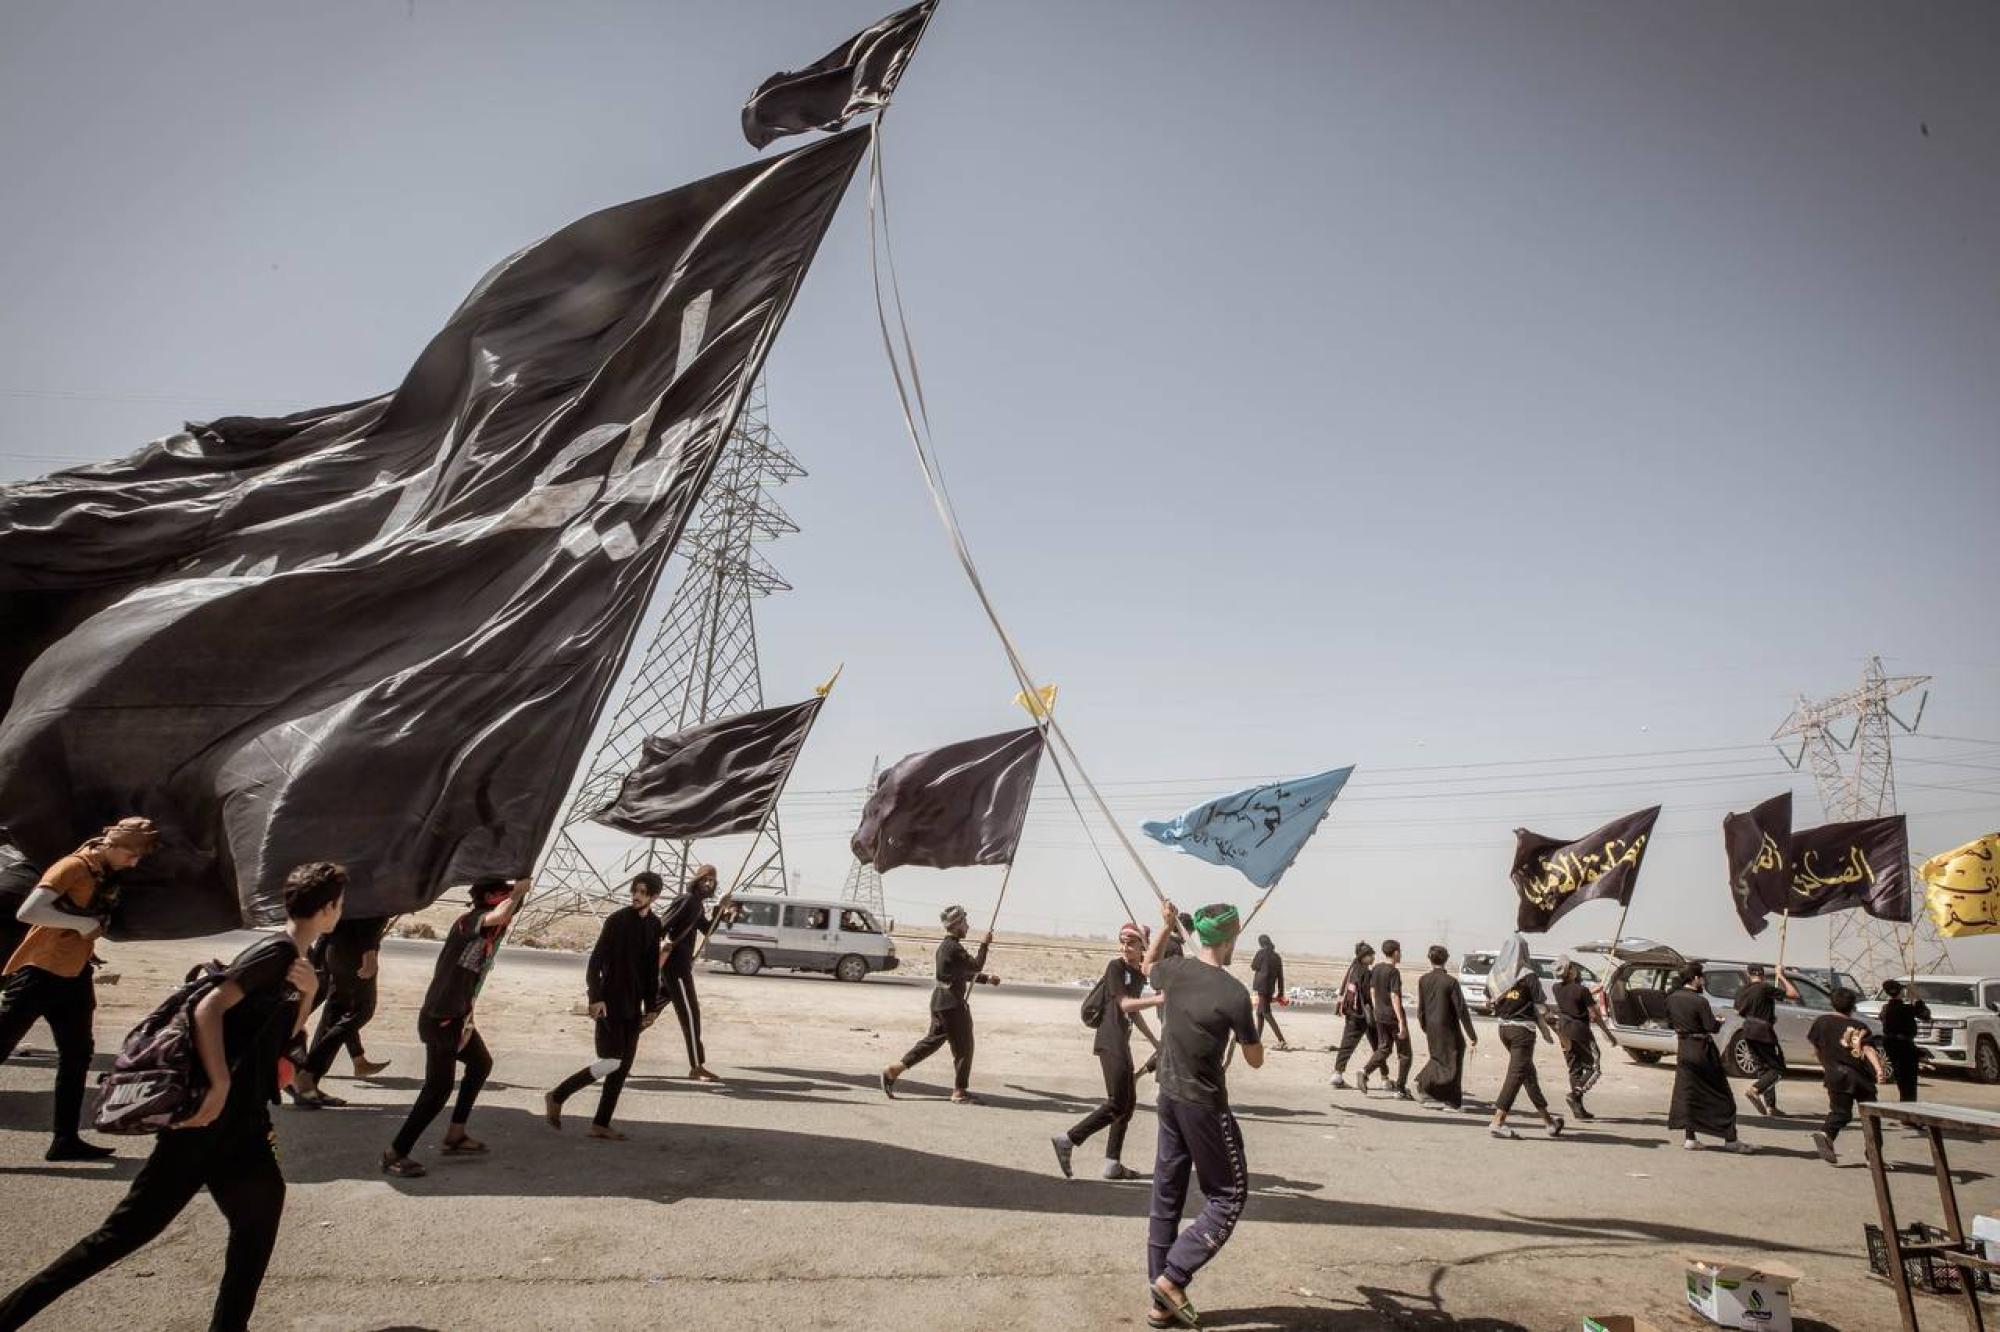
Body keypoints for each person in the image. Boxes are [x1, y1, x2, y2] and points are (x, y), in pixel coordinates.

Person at [0, 860, 344, 1332]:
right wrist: (219, 1084)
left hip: (244, 1126)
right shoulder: (275, 951)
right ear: (327, 909)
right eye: (338, 904)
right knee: (121, 1235)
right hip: (203, 1123)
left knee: (258, 1220)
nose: (339, 912)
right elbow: (208, 1008)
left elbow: (282, 1038)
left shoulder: (298, 964)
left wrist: (307, 995)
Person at [0, 817, 159, 1161]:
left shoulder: (103, 872)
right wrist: (82, 923)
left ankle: (65, 1140)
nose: (134, 863)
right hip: (38, 973)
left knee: (77, 1055)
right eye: (131, 855)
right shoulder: (72, 866)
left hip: (73, 975)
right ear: (112, 845)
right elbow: (29, 911)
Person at [1139, 899, 1261, 1330]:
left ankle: (1159, 1304)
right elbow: (1255, 1059)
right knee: (1229, 1195)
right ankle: (1172, 1277)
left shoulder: (1175, 970)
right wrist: (1250, 1015)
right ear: (1231, 937)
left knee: (1167, 1194)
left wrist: (1164, 925)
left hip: (1169, 1096)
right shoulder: (1233, 993)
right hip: (1204, 1105)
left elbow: (1147, 965)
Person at [382, 876, 529, 1178]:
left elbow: (503, 919)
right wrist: (517, 891)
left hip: (458, 1017)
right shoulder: (470, 921)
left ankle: (456, 1134)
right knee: (438, 1089)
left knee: (480, 1064)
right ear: (491, 899)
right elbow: (500, 914)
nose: (512, 907)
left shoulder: (490, 932)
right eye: (504, 897)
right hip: (441, 1019)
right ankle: (395, 1152)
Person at [545, 872, 666, 1139]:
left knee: (622, 1067)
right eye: (635, 890)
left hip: (634, 1005)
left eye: (643, 892)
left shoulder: (654, 924)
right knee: (611, 1061)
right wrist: (595, 997)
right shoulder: (617, 920)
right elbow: (595, 962)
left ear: (654, 897)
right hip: (610, 1001)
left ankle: (600, 1124)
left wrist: (651, 1007)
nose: (637, 896)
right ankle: (558, 1095)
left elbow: (650, 969)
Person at [1053, 922, 1163, 1181]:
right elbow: (1124, 1004)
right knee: (1118, 1102)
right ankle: (1068, 1139)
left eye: (1131, 943)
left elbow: (1133, 1012)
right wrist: (1160, 999)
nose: (1125, 948)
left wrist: (1155, 1042)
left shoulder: (1138, 974)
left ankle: (1112, 1164)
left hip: (1121, 1040)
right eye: (1123, 942)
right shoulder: (1116, 967)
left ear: (1143, 946)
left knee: (1128, 1103)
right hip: (1110, 1039)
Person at [881, 905, 999, 1103]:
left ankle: (894, 1070)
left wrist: (986, 979)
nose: (968, 926)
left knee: (931, 1042)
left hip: (941, 1002)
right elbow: (975, 965)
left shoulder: (946, 947)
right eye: (965, 923)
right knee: (964, 1047)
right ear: (957, 924)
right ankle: (959, 1092)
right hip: (952, 1005)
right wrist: (984, 945)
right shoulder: (954, 947)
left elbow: (962, 973)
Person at [288, 912, 393, 1107]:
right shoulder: (372, 893)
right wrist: (369, 951)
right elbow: (367, 913)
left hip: (337, 948)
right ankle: (308, 1072)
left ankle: (309, 1084)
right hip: (354, 950)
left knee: (336, 1012)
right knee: (362, 1010)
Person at [1666, 963, 1751, 1153]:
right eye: (1701, 977)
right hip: (1702, 1050)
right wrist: (1719, 1021)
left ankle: (1690, 1138)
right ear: (1695, 978)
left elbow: (1670, 1023)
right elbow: (1710, 1026)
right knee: (1722, 1095)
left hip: (1684, 1049)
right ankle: (1730, 1139)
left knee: (1690, 1094)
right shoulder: (1699, 1001)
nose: (1703, 981)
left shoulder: (1671, 998)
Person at [658, 864, 729, 1083]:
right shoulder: (687, 900)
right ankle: (696, 1067)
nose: (708, 884)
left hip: (677, 968)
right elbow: (661, 926)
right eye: (705, 879)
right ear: (697, 880)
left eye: (712, 881)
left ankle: (619, 1054)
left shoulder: (696, 904)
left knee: (649, 1013)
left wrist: (720, 908)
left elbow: (707, 930)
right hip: (676, 969)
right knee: (690, 1015)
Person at [1809, 987, 1890, 1165]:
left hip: (1834, 1075)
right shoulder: (1860, 1026)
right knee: (1871, 1117)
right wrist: (1879, 1070)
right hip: (1860, 1077)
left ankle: (1826, 1133)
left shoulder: (1821, 1022)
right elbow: (1868, 1049)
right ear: (1853, 1006)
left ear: (1832, 1003)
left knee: (1840, 1112)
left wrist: (1825, 1066)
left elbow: (1816, 1047)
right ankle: (1873, 1157)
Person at [1488, 958, 1564, 1140]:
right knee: (1516, 1075)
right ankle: (1498, 1121)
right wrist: (1559, 1032)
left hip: (1504, 1030)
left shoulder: (1498, 973)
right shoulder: (1528, 975)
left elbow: (1488, 1000)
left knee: (1527, 1074)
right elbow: (1541, 1007)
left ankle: (1549, 1122)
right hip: (1522, 1032)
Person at [1413, 945, 1478, 1111]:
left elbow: (1421, 1008)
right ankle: (1449, 1099)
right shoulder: (1451, 982)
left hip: (1431, 1026)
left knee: (1438, 1057)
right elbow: (1461, 1009)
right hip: (1448, 1027)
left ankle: (1429, 1088)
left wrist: (1425, 1026)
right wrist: (1471, 1034)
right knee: (1454, 1058)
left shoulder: (1424, 979)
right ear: (1446, 959)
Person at [1733, 962, 1799, 1117]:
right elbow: (1794, 995)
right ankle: (1755, 1089)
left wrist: (1763, 1012)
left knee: (1763, 1068)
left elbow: (1738, 1010)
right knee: (1778, 1069)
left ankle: (1771, 1106)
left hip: (1747, 1029)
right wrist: (1781, 975)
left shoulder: (1742, 990)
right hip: (1763, 1032)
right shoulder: (1765, 987)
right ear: (1762, 975)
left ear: (1748, 974)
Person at [1551, 959, 1609, 1121]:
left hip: (1563, 1030)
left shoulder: (1556, 988)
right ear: (1570, 971)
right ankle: (1575, 1094)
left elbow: (1573, 995)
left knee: (1574, 1068)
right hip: (1580, 1030)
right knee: (1594, 1068)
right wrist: (1608, 1034)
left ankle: (1578, 1109)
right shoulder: (1582, 991)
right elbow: (1594, 1015)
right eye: (1574, 967)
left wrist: (1590, 993)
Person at [1359, 939, 1412, 1099]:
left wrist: (1377, 1010)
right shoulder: (1393, 972)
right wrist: (1401, 1021)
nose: (1401, 955)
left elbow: (1372, 991)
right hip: (1393, 1017)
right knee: (1405, 1054)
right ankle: (1400, 1089)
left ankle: (1364, 1071)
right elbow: (1394, 996)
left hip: (1380, 1016)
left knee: (1384, 1048)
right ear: (1395, 953)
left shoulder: (1376, 968)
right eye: (1400, 952)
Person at [1329, 941, 1378, 1090]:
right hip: (1361, 1015)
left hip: (1352, 1011)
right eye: (1371, 955)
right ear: (1364, 956)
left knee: (1349, 1043)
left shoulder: (1353, 968)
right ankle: (1384, 1078)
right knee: (1380, 1046)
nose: (1373, 958)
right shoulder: (1364, 972)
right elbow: (1367, 995)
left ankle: (1338, 1074)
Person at [1877, 979, 1930, 1103]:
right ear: (1900, 992)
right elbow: (1926, 1015)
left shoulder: (1886, 1009)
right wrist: (1917, 997)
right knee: (1909, 1082)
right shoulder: (1906, 1009)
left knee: (1900, 1078)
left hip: (1891, 1045)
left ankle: (1905, 1103)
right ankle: (1908, 1107)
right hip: (1905, 1046)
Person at [1249, 934, 1288, 1051]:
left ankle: (1282, 1040)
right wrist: (1281, 992)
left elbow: (1253, 966)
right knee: (1260, 1013)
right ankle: (1257, 1041)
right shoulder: (1277, 957)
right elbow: (1280, 976)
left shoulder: (1261, 953)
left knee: (1266, 1013)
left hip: (1261, 987)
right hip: (1270, 988)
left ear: (1261, 943)